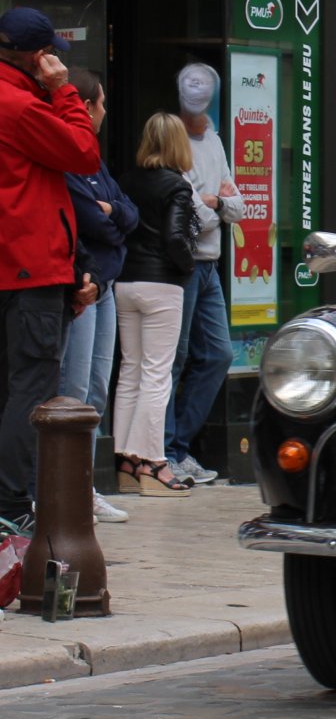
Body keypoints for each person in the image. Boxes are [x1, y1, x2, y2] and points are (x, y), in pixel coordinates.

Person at [0, 7, 101, 537]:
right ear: (41, 56)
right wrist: (64, 93)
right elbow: (84, 154)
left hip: (14, 266)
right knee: (30, 388)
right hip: (28, 270)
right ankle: (10, 504)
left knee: (9, 387)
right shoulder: (19, 106)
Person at [57, 69, 138, 523]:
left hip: (107, 282)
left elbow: (127, 210)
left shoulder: (96, 161)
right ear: (85, 107)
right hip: (85, 282)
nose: (106, 112)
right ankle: (60, 489)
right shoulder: (66, 157)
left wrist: (114, 214)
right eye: (103, 103)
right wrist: (113, 216)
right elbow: (93, 219)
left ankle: (82, 485)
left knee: (95, 391)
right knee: (71, 389)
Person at [112, 113, 198, 497]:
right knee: (156, 373)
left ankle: (125, 461)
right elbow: (176, 238)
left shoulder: (126, 181)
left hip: (125, 281)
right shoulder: (177, 186)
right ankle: (153, 462)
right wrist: (188, 266)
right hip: (162, 284)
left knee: (130, 369)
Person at [165, 63, 244, 485]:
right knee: (173, 358)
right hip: (185, 263)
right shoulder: (172, 139)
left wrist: (214, 202)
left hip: (209, 264)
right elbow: (191, 216)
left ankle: (177, 447)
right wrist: (216, 205)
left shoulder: (212, 138)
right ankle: (164, 452)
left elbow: (238, 206)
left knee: (217, 354)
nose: (198, 106)